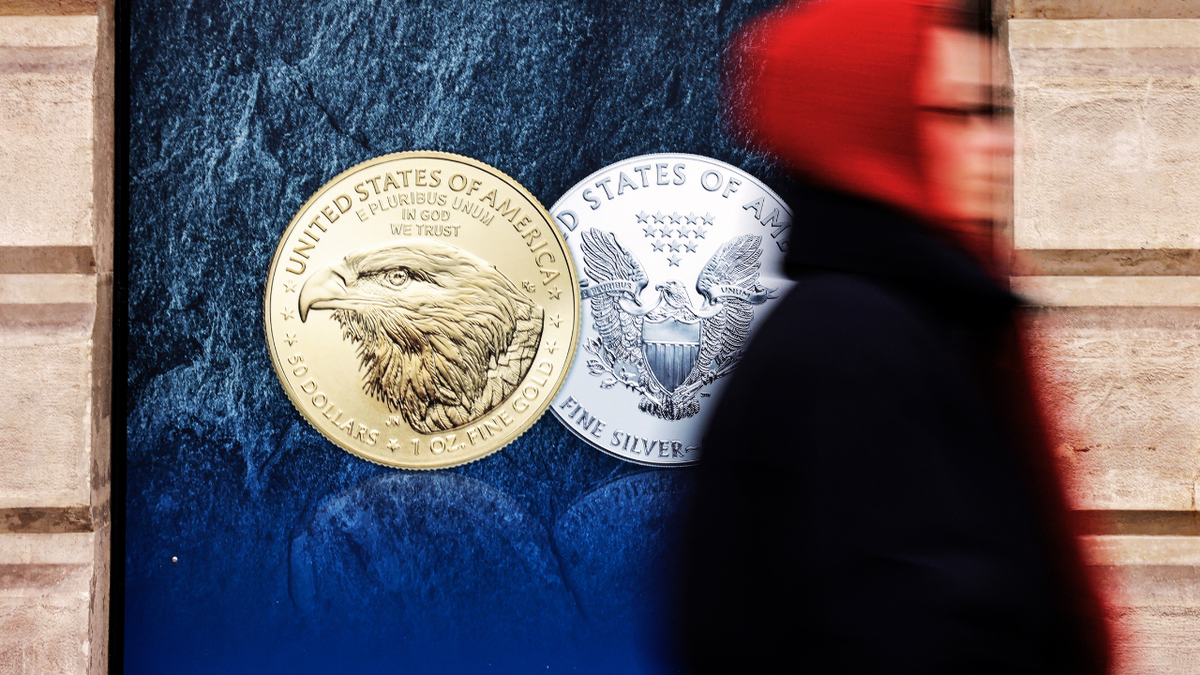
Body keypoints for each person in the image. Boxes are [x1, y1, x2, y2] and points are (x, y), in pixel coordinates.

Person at [678, 0, 1113, 672]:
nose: (1004, 144)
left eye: (997, 111)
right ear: (876, 127)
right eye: (962, 114)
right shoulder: (854, 346)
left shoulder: (906, 322)